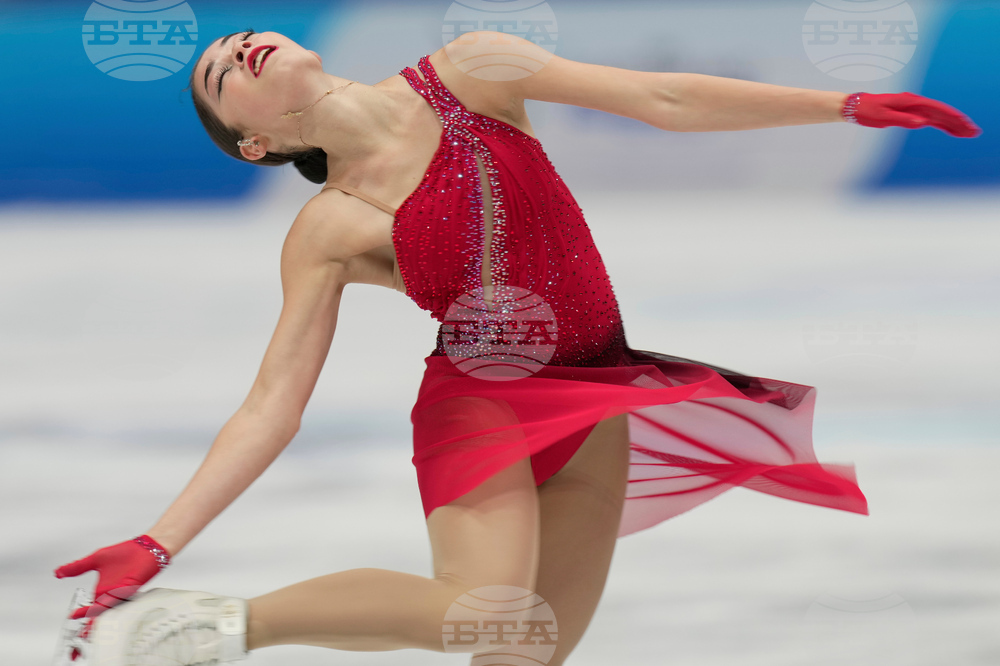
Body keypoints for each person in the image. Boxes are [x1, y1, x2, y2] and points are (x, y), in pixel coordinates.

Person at [52, 28, 980, 665]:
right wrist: (158, 543)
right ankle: (209, 626)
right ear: (254, 142)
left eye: (236, 40)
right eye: (220, 75)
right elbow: (272, 404)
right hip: (482, 404)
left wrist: (841, 103)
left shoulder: (468, 69)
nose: (236, 50)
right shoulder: (331, 225)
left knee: (527, 647)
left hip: (598, 393)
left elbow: (660, 96)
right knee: (483, 611)